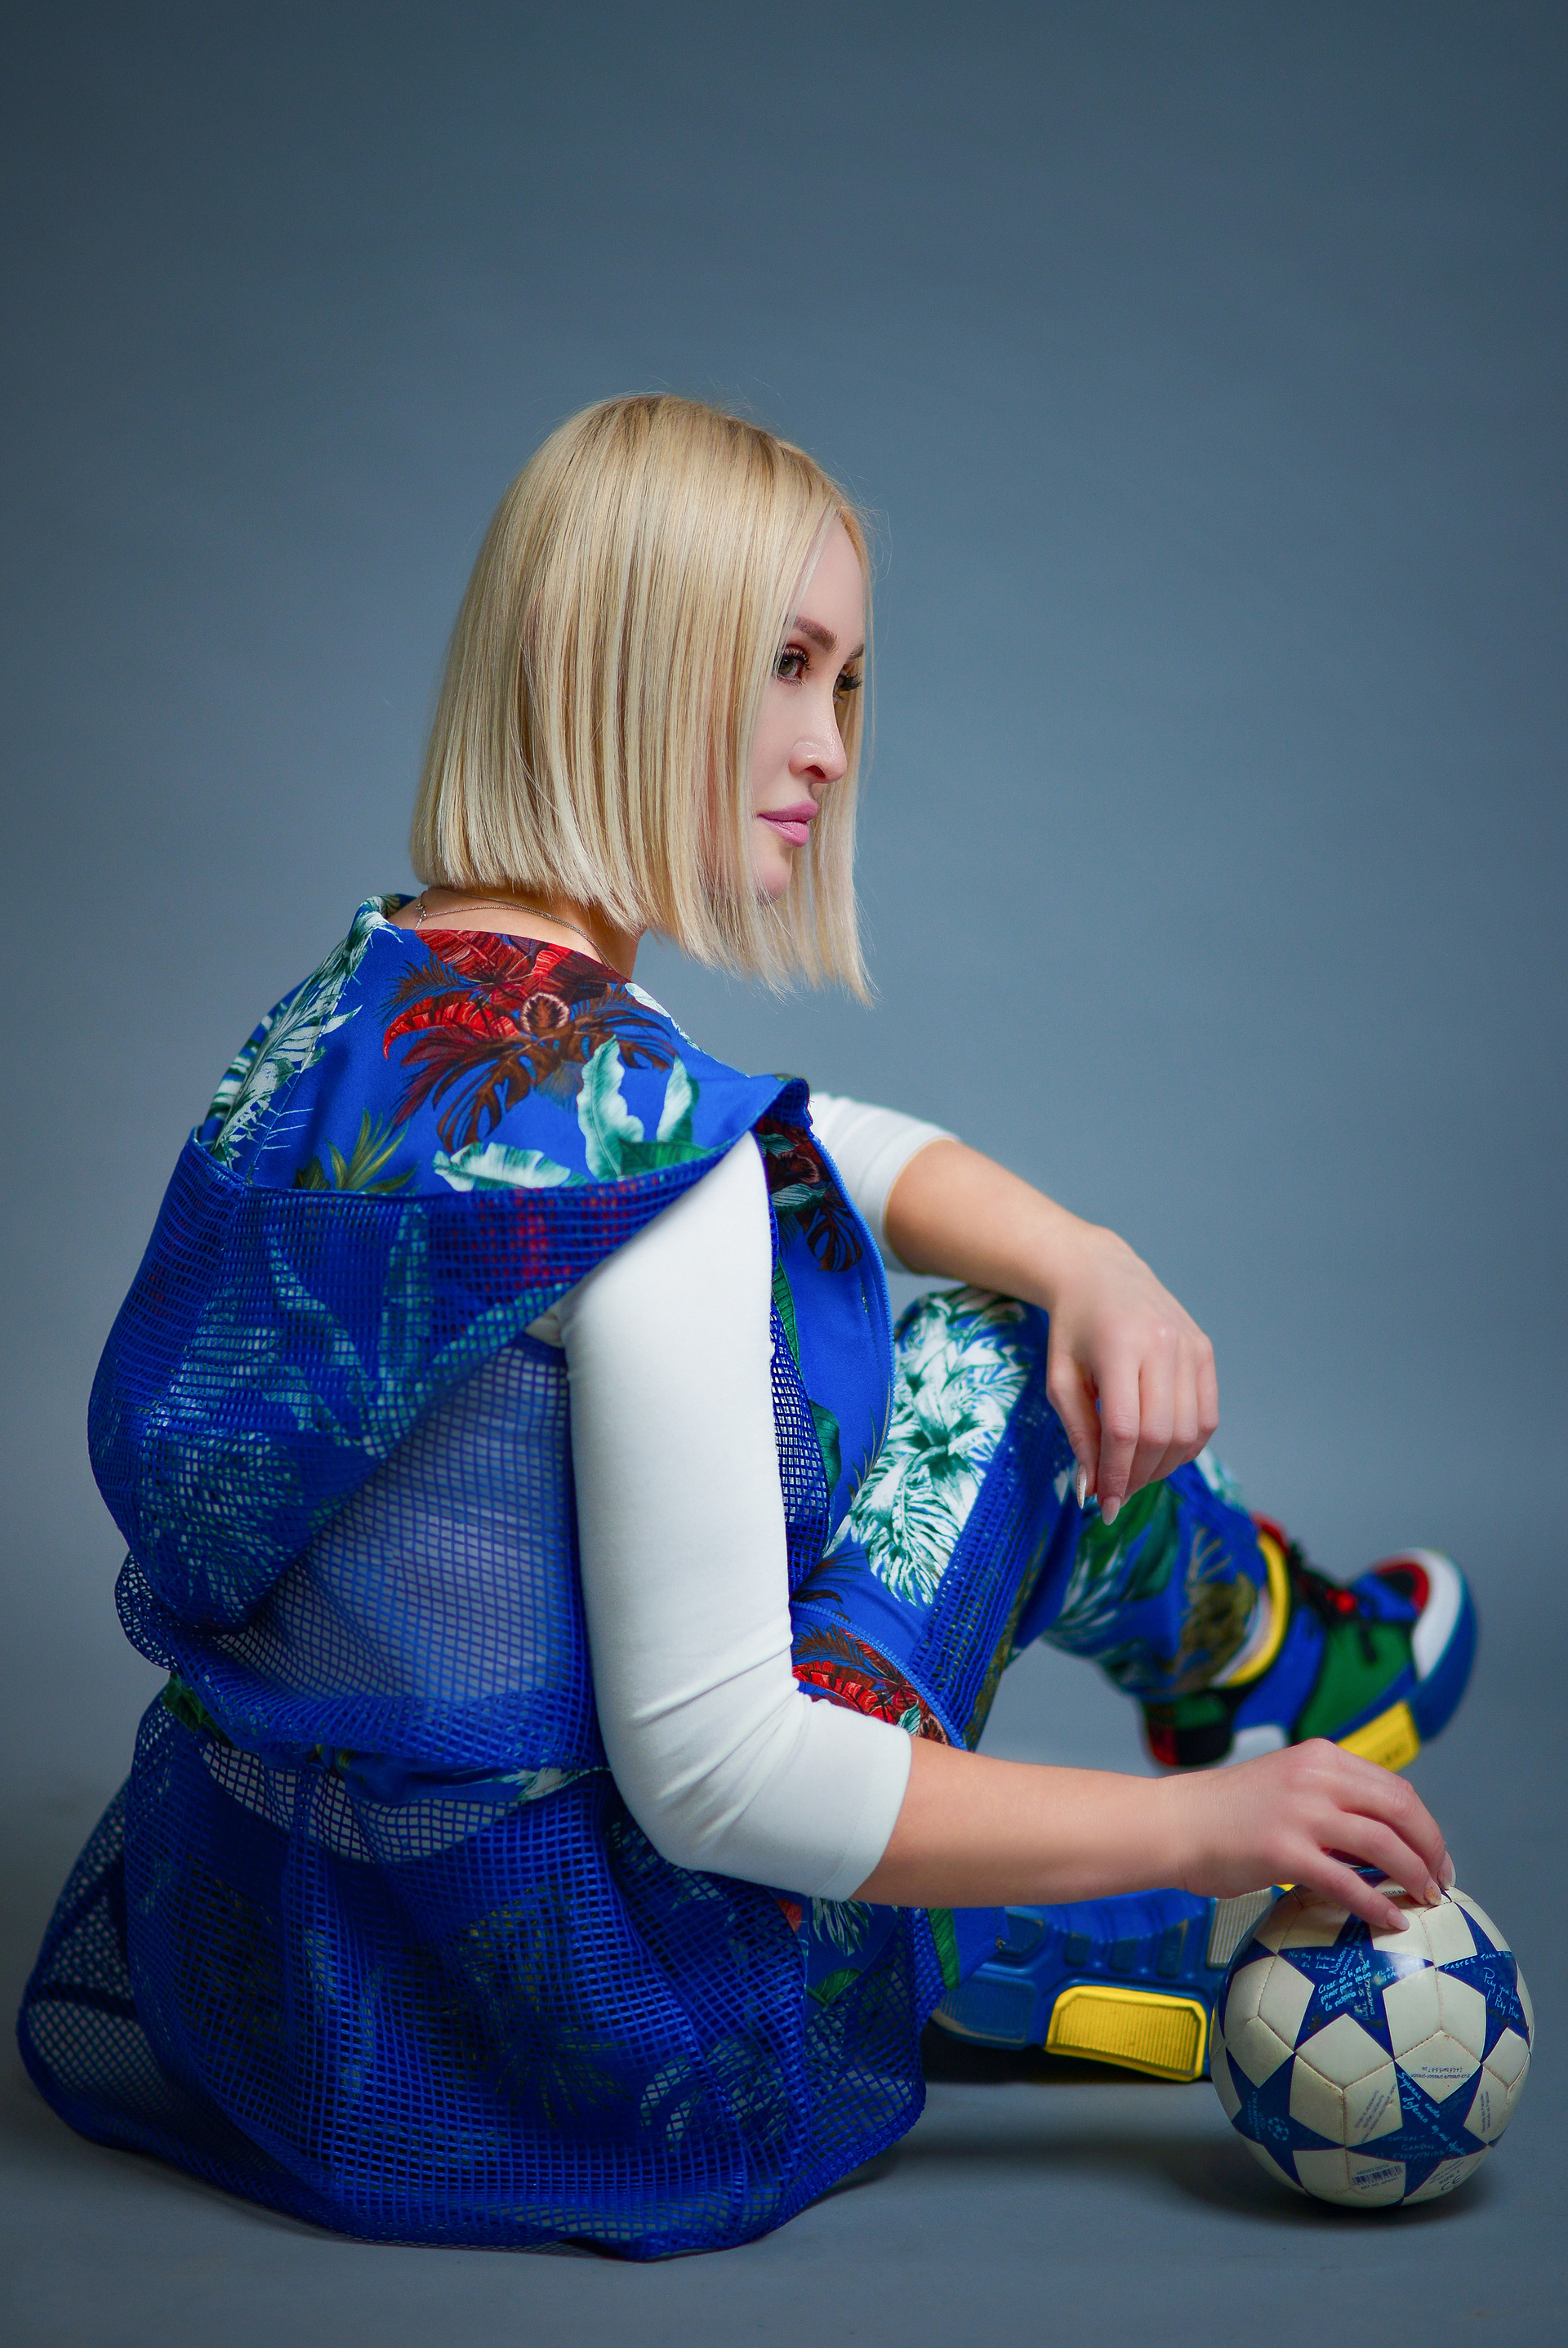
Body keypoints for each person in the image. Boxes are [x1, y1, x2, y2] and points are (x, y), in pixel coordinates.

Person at [18, 395, 1475, 2257]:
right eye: (783, 665)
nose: (829, 747)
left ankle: (1224, 1694)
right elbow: (723, 1779)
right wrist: (1213, 1831)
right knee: (999, 1363)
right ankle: (1262, 1682)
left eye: (848, 683)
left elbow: (803, 1136)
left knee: (1012, 1293)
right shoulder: (662, 1180)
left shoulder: (351, 1017)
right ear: (611, 654)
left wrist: (1088, 1245)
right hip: (625, 2036)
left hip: (319, 1988)